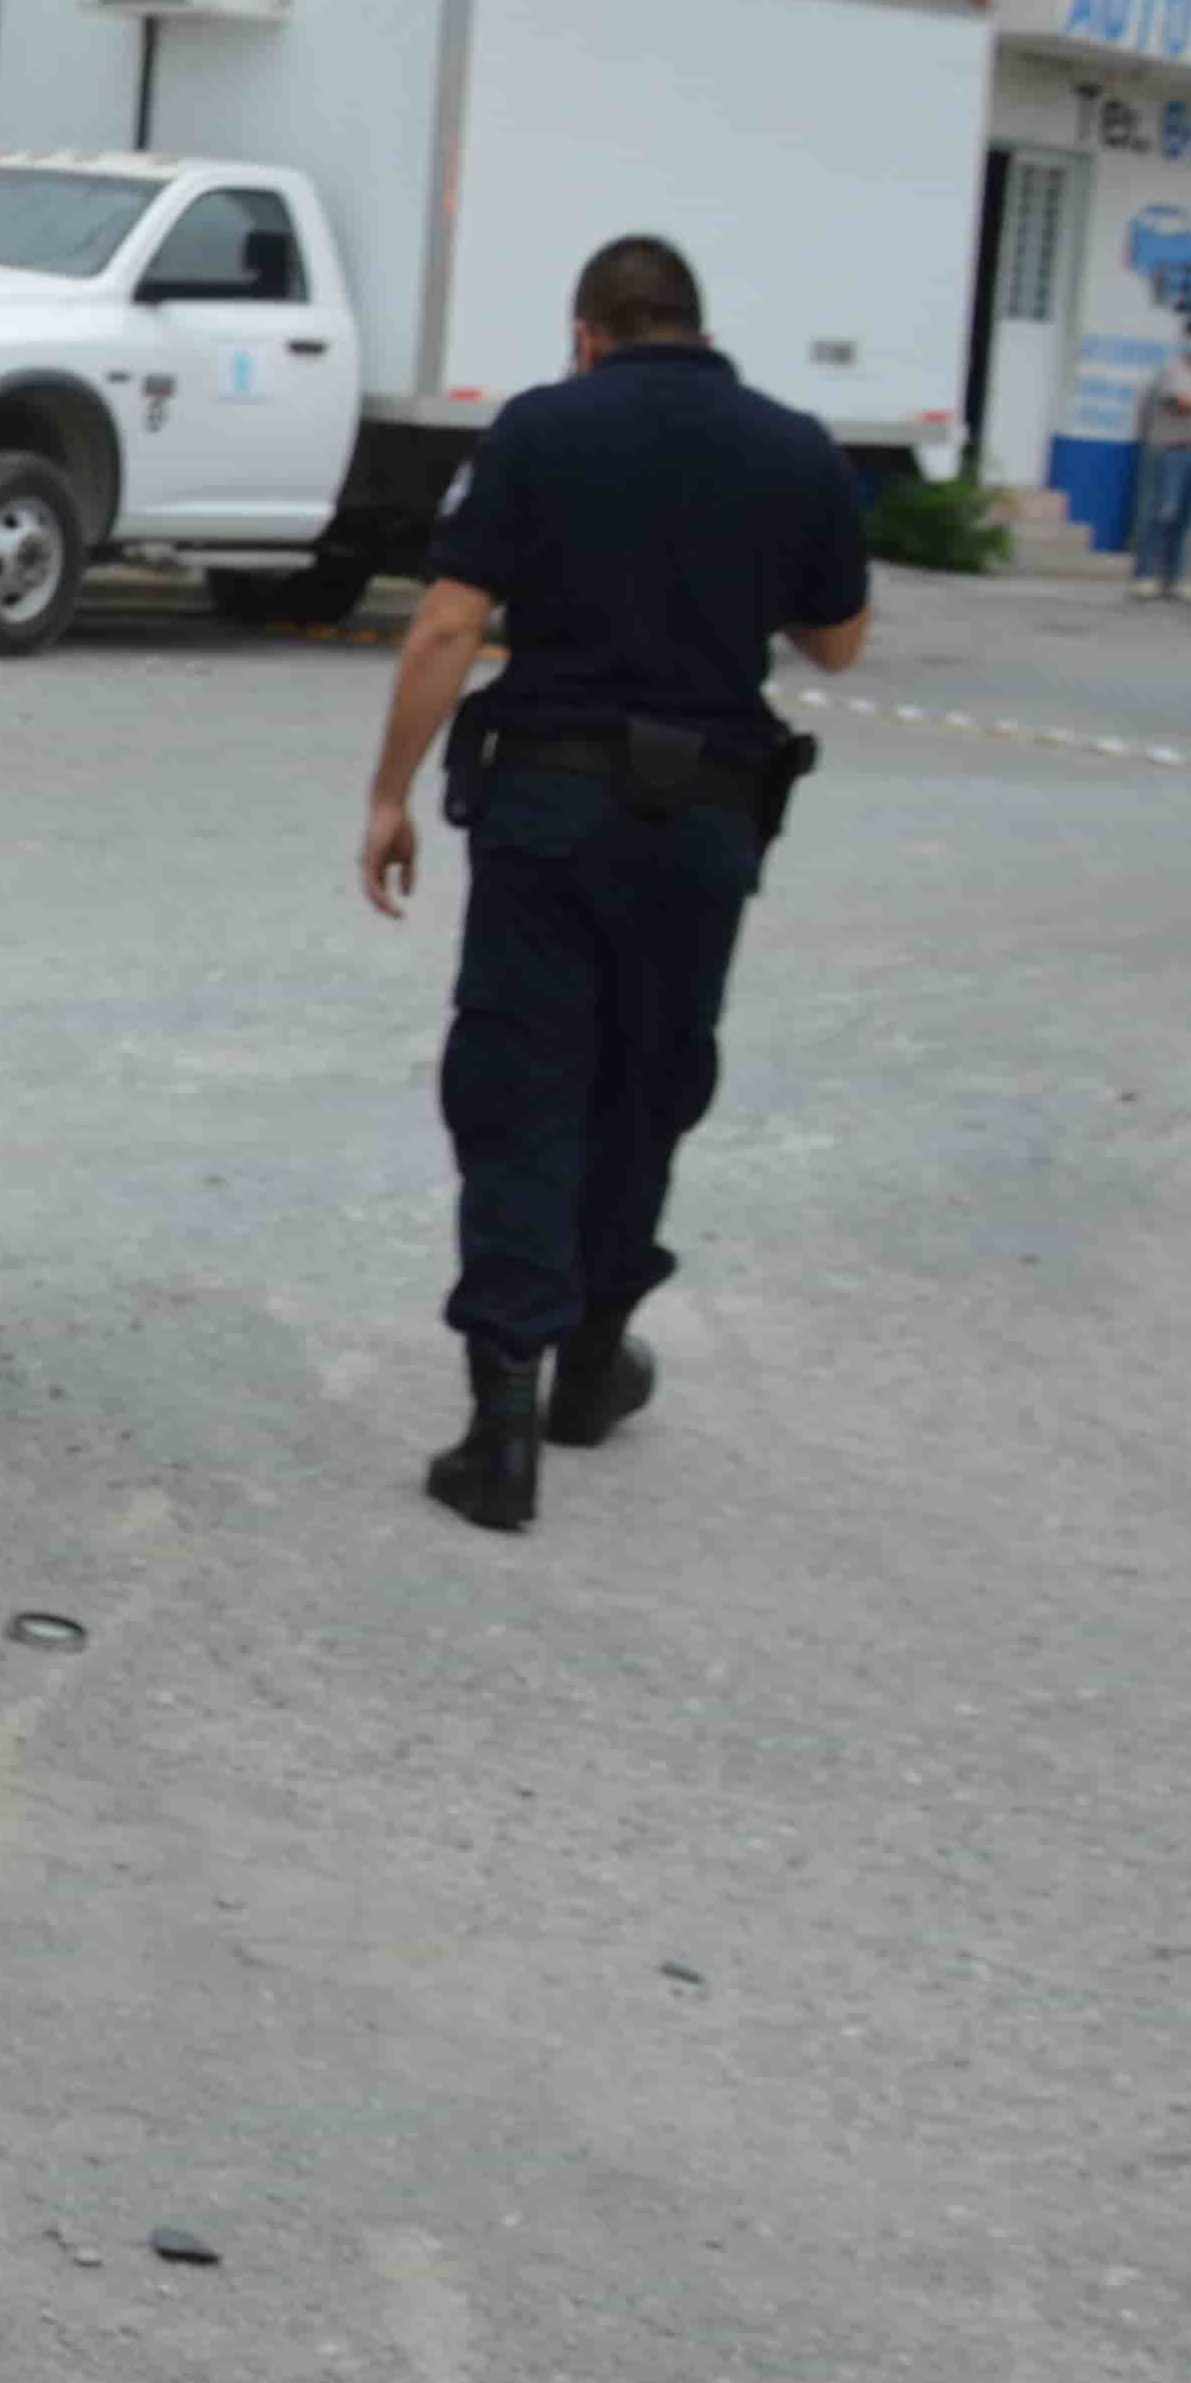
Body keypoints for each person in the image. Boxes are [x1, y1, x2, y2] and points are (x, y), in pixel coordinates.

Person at [359, 234, 874, 1533]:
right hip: (707, 820)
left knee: (522, 1083)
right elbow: (839, 640)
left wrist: (389, 795)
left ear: (588, 330)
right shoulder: (795, 446)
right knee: (649, 1082)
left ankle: (503, 1424)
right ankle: (593, 1362)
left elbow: (446, 625)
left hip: (552, 807)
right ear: (695, 326)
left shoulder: (541, 429)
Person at [1125, 315, 1191, 600]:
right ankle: (1146, 576)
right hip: (1170, 451)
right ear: (1186, 339)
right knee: (1161, 513)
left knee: (1185, 519)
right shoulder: (1172, 370)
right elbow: (1182, 403)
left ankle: (1172, 579)